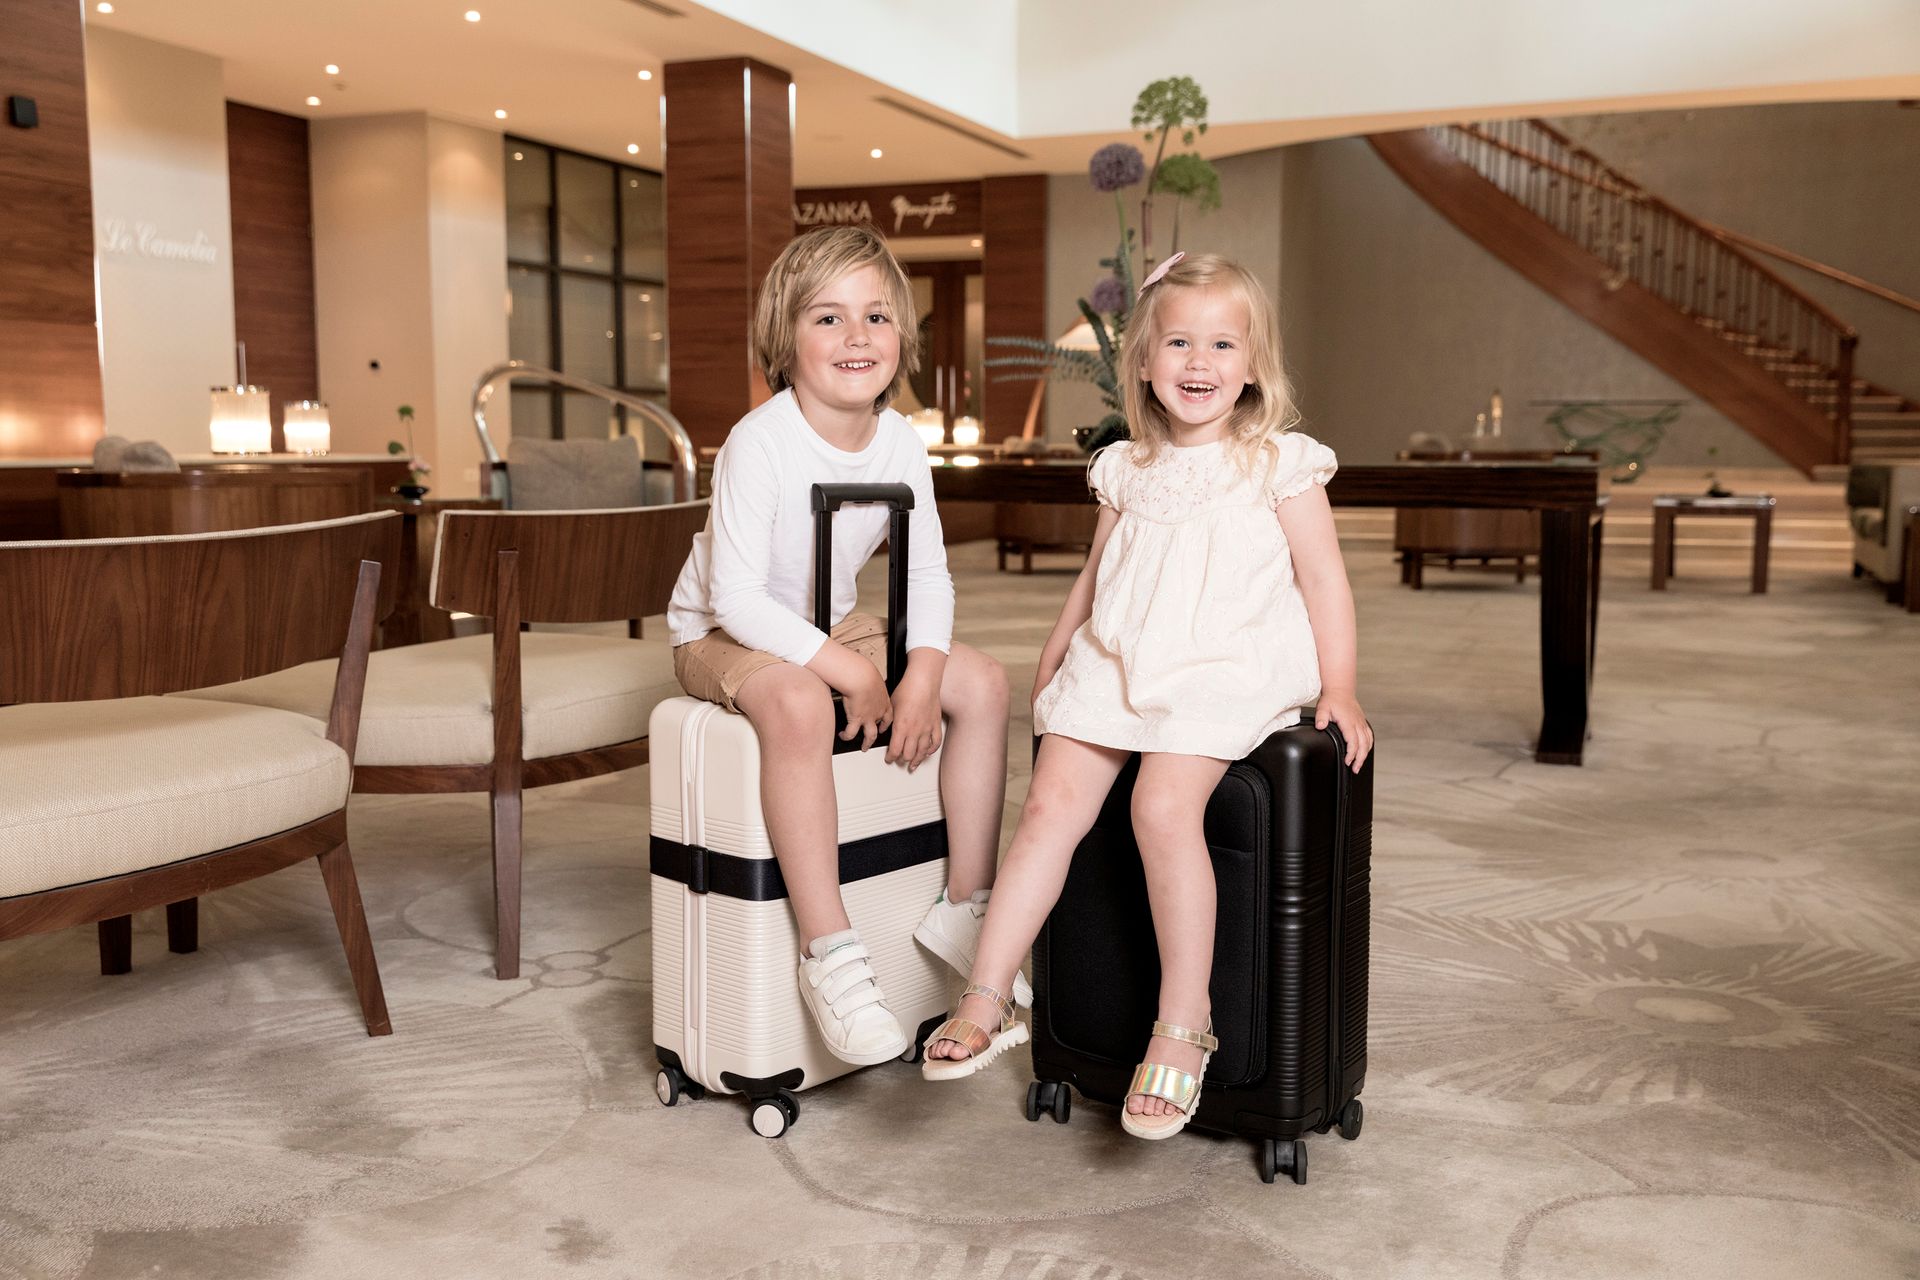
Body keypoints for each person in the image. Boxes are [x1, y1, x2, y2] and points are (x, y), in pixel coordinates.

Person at [921, 252, 1373, 1140]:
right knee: (1048, 805)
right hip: (1121, 660)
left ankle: (1183, 1024)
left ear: (1252, 365)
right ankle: (988, 995)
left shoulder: (1278, 462)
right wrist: (1056, 661)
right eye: (1177, 342)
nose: (1197, 362)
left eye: (1220, 344)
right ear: (1142, 361)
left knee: (1164, 809)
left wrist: (1343, 687)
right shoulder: (1124, 466)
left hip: (1220, 663)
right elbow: (1096, 582)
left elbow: (1325, 582)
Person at [665, 225, 1017, 1066]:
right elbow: (737, 598)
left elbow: (926, 575)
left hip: (828, 620)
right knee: (794, 702)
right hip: (721, 627)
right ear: (785, 341)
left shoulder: (902, 442)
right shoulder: (761, 441)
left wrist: (923, 673)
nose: (856, 337)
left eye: (876, 317)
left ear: (902, 338)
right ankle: (829, 951)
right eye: (828, 318)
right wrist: (846, 670)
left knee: (986, 681)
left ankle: (965, 906)